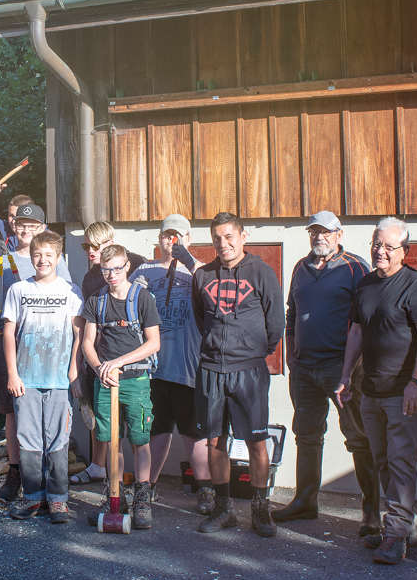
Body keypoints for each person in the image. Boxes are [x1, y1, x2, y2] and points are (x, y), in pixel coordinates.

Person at [336, 218, 417, 565]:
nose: (380, 251)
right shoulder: (364, 286)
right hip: (370, 390)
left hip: (402, 390)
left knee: (401, 461)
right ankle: (401, 527)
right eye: (376, 245)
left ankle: (395, 534)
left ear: (404, 252)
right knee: (381, 460)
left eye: (388, 247)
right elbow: (356, 334)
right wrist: (346, 376)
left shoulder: (416, 285)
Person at [274, 211, 379, 539]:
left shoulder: (355, 267)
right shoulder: (300, 268)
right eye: (315, 232)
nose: (320, 237)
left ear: (339, 234)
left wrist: (355, 367)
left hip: (341, 368)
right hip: (304, 368)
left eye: (326, 232)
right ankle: (306, 500)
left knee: (358, 437)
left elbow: (366, 320)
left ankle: (372, 512)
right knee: (306, 434)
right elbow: (291, 311)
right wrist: (291, 352)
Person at [191, 212, 284, 538]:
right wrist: (219, 348)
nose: (223, 243)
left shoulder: (261, 272)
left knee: (256, 441)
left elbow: (276, 324)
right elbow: (202, 319)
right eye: (217, 238)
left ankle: (260, 509)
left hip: (249, 371)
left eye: (229, 236)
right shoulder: (202, 275)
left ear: (243, 236)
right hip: (213, 370)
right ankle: (223, 508)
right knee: (215, 441)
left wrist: (252, 351)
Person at [0, 202, 72, 502]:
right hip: (10, 345)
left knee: (47, 418)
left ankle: (49, 480)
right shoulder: (2, 260)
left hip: (47, 353)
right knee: (11, 411)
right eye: (21, 224)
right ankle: (15, 471)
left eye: (32, 226)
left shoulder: (54, 260)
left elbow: (69, 305)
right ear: (13, 225)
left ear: (42, 229)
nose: (25, 229)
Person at [3, 230, 84, 523]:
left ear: (58, 258)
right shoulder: (19, 290)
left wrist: (74, 370)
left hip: (59, 379)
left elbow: (79, 334)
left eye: (49, 255)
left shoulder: (71, 291)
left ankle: (59, 500)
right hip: (26, 378)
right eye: (37, 255)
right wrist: (12, 373)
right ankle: (33, 497)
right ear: (31, 257)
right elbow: (9, 334)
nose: (42, 260)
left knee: (58, 439)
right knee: (29, 440)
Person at [82, 244, 162, 529]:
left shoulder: (142, 299)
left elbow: (153, 343)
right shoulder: (96, 301)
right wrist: (100, 368)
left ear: (126, 266)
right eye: (106, 270)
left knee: (140, 440)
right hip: (106, 381)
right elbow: (87, 344)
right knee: (110, 439)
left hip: (136, 380)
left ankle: (142, 496)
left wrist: (118, 362)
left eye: (116, 268)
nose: (111, 275)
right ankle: (115, 495)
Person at [70, 220, 146, 489]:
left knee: (135, 426)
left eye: (97, 245)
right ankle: (98, 468)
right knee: (98, 414)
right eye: (87, 245)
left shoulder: (136, 263)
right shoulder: (91, 276)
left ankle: (143, 485)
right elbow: (87, 322)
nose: (91, 250)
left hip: (132, 356)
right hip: (99, 354)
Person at [136, 215, 204, 507]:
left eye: (178, 236)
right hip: (153, 368)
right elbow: (128, 299)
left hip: (188, 367)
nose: (172, 241)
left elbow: (209, 284)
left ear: (189, 239)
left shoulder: (197, 271)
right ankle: (147, 487)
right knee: (157, 429)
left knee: (193, 432)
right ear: (159, 239)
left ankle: (207, 491)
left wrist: (187, 260)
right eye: (167, 236)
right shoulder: (145, 270)